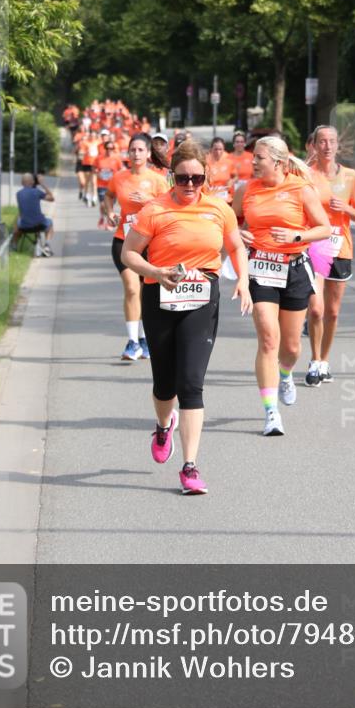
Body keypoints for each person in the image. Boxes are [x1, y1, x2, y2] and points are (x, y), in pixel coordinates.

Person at [122, 139, 251, 494]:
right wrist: (156, 270)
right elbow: (129, 253)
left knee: (191, 383)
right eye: (183, 179)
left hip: (202, 296)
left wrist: (243, 279)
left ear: (206, 175)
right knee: (165, 383)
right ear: (171, 177)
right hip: (159, 295)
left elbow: (236, 245)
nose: (190, 185)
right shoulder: (154, 210)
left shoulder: (219, 209)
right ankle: (164, 426)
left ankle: (190, 467)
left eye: (197, 178)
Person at [233, 136, 330, 435]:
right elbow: (229, 223)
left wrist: (296, 237)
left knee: (290, 347)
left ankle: (285, 373)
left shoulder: (300, 189)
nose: (253, 162)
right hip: (260, 268)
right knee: (268, 339)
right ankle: (271, 411)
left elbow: (324, 228)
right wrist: (239, 233)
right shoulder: (245, 190)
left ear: (277, 161)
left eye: (259, 158)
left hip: (294, 269)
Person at [305, 125, 355, 385]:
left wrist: (347, 209)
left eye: (332, 141)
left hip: (340, 247)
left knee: (332, 312)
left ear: (338, 145)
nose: (327, 146)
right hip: (314, 247)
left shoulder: (351, 177)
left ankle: (325, 361)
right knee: (316, 310)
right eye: (322, 141)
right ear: (315, 145)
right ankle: (315, 359)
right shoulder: (307, 175)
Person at [104, 135, 169, 360]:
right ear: (128, 153)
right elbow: (109, 195)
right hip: (124, 241)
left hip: (150, 244)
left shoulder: (158, 180)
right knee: (132, 288)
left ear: (148, 153)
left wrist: (148, 201)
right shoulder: (119, 177)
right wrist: (110, 212)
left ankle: (143, 339)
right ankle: (132, 342)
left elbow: (169, 210)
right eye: (132, 150)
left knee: (146, 293)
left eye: (141, 150)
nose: (136, 154)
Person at [12, 173, 54, 255]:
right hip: (39, 224)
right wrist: (42, 184)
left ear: (22, 183)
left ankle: (14, 245)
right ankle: (47, 246)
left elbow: (21, 211)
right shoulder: (37, 192)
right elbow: (51, 198)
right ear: (32, 182)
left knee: (18, 223)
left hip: (24, 227)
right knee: (50, 223)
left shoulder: (18, 194)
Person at [96, 140, 123, 228]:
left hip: (112, 186)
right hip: (101, 184)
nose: (109, 150)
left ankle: (108, 222)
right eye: (107, 148)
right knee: (103, 205)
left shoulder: (117, 158)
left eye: (111, 148)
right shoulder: (99, 158)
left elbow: (121, 170)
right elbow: (94, 168)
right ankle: (102, 217)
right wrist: (98, 172)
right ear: (105, 149)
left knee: (110, 206)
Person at [206, 137, 234, 201]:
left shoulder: (229, 162)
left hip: (226, 197)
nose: (218, 152)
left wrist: (232, 181)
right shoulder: (205, 162)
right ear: (211, 149)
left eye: (220, 149)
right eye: (215, 149)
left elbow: (235, 176)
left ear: (224, 149)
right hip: (211, 197)